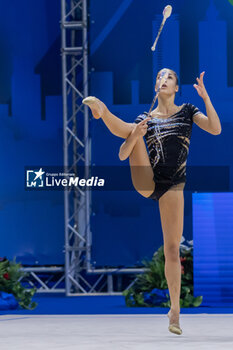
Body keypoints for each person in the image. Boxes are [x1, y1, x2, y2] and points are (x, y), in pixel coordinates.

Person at [82, 68, 222, 335]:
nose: (163, 80)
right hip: (147, 182)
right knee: (130, 130)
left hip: (173, 187)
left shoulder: (188, 111)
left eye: (168, 77)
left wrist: (205, 97)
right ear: (155, 85)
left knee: (172, 250)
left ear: (176, 87)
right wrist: (136, 134)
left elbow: (215, 129)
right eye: (159, 77)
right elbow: (124, 154)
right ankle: (102, 110)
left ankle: (175, 312)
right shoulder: (146, 118)